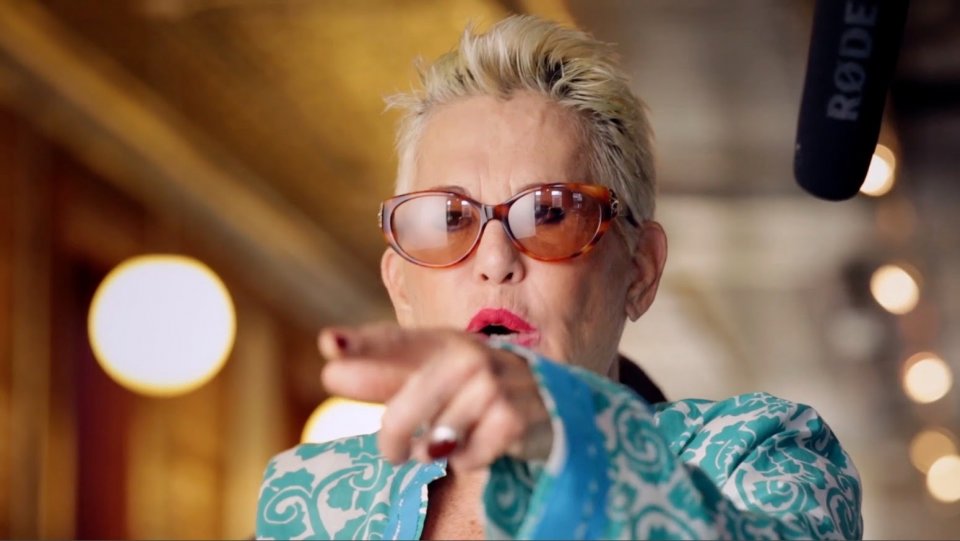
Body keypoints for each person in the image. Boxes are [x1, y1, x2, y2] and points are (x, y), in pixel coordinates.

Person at [255, 14, 862, 540]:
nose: (495, 260)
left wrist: (578, 441)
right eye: (449, 219)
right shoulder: (308, 495)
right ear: (400, 287)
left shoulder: (762, 451)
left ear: (639, 271)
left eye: (549, 213)